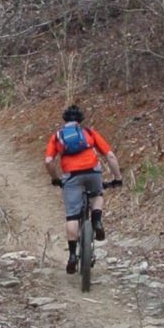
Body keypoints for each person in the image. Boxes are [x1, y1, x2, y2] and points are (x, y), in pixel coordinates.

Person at [44, 104, 120, 273]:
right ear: (80, 120)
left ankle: (72, 255)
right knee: (97, 194)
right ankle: (97, 219)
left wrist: (55, 178)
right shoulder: (89, 133)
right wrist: (117, 178)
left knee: (72, 215)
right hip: (92, 172)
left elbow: (49, 161)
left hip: (71, 176)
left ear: (65, 120)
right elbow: (110, 155)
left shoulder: (57, 137)